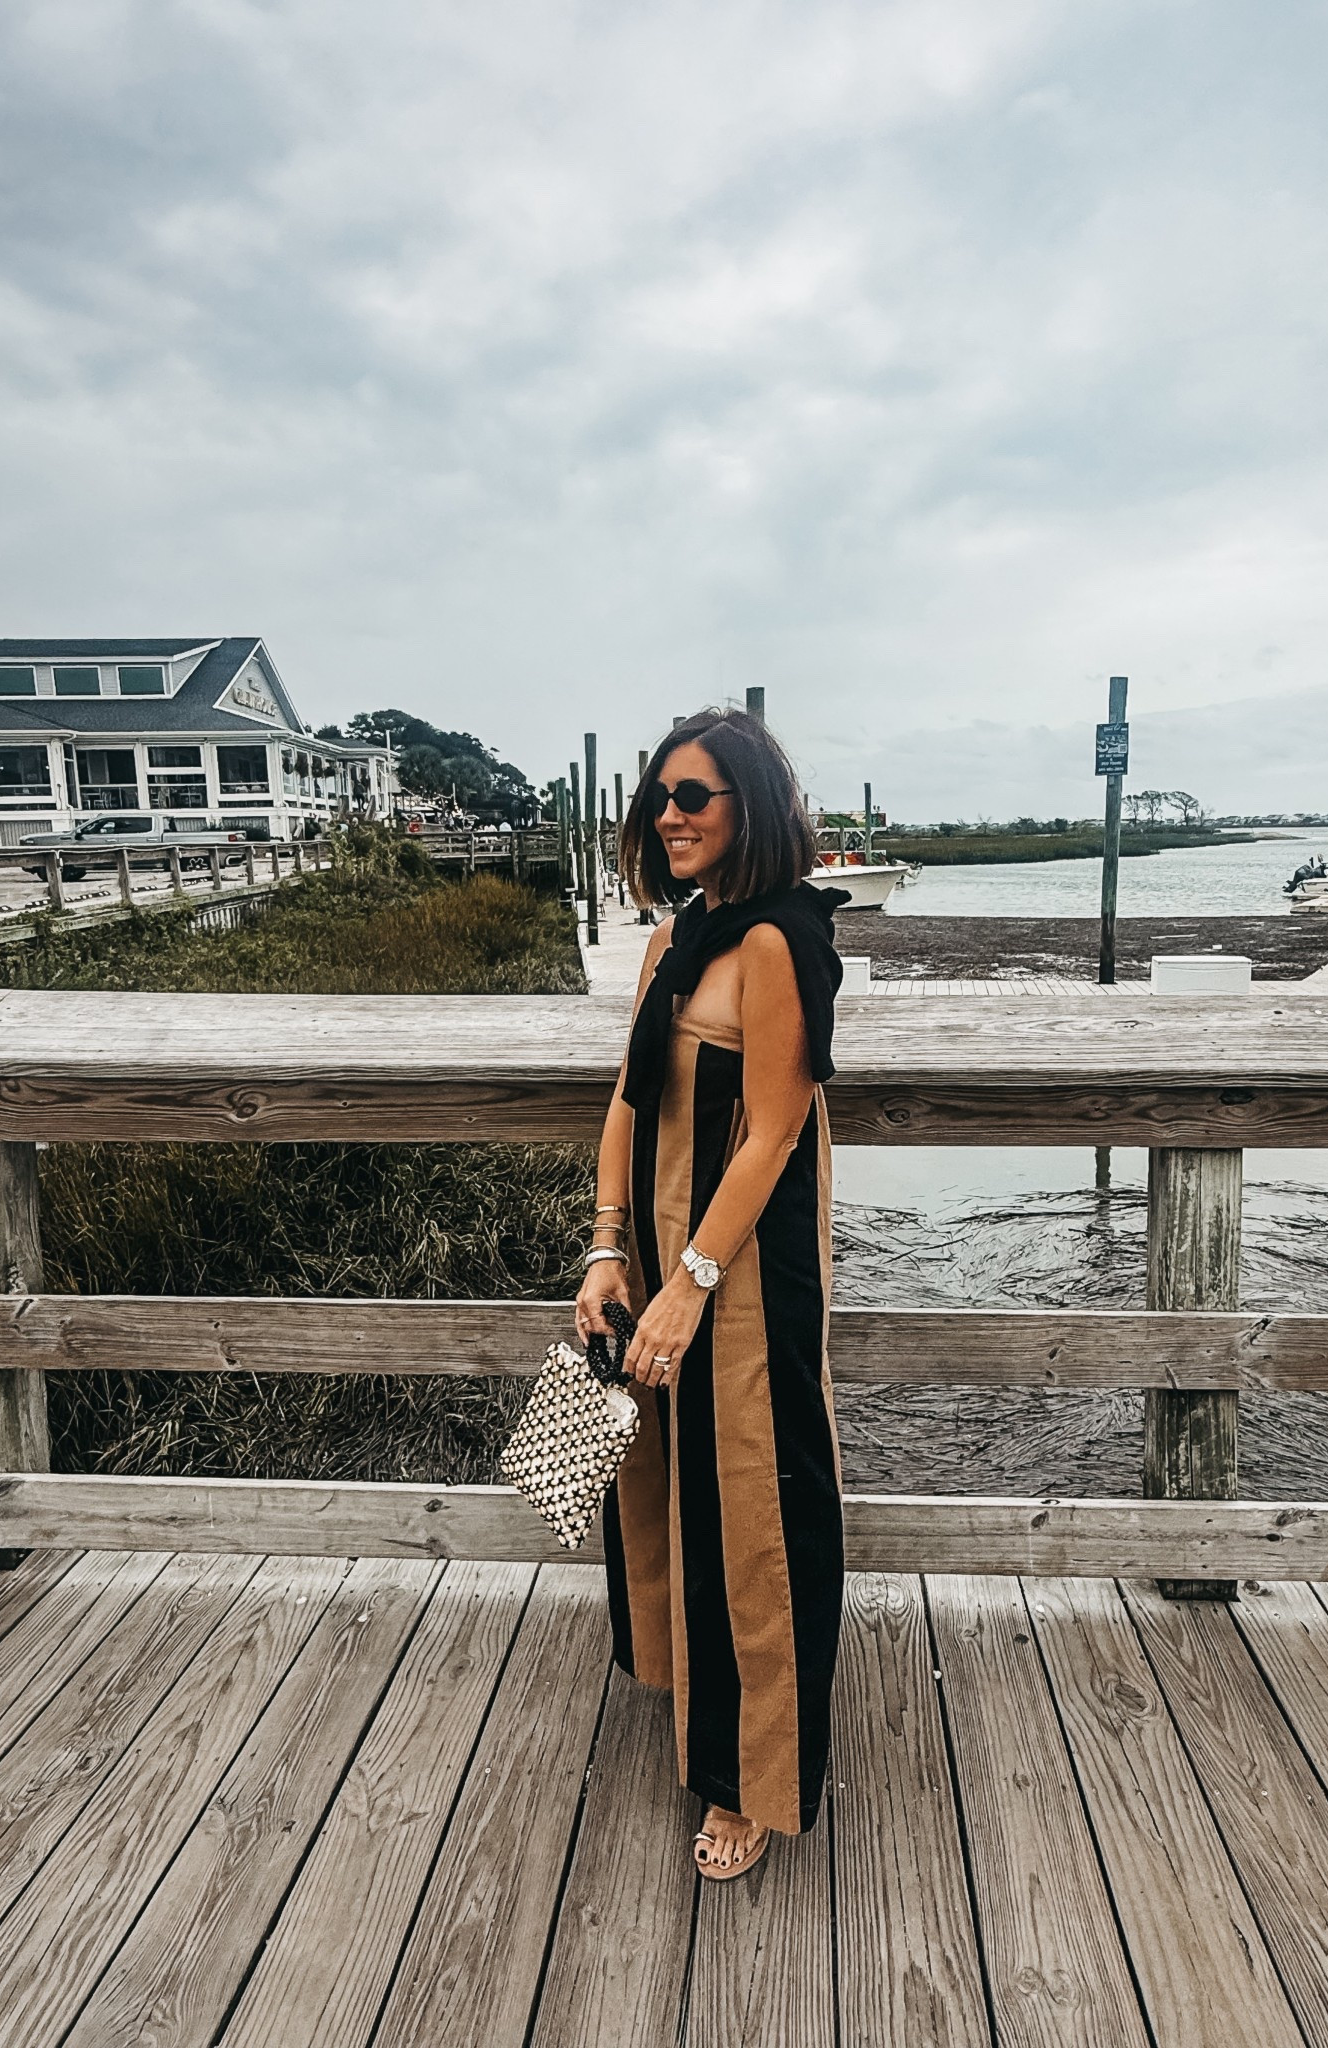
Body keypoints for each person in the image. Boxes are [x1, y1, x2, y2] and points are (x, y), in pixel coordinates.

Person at [574, 707, 846, 1882]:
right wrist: (606, 1248)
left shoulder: (781, 942)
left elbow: (775, 1129)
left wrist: (691, 1279)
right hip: (659, 1249)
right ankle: (690, 1682)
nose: (668, 815)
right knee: (662, 1469)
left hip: (741, 1267)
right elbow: (628, 1099)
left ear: (752, 807)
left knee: (755, 1499)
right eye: (659, 796)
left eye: (693, 796)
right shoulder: (673, 936)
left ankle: (752, 1777)